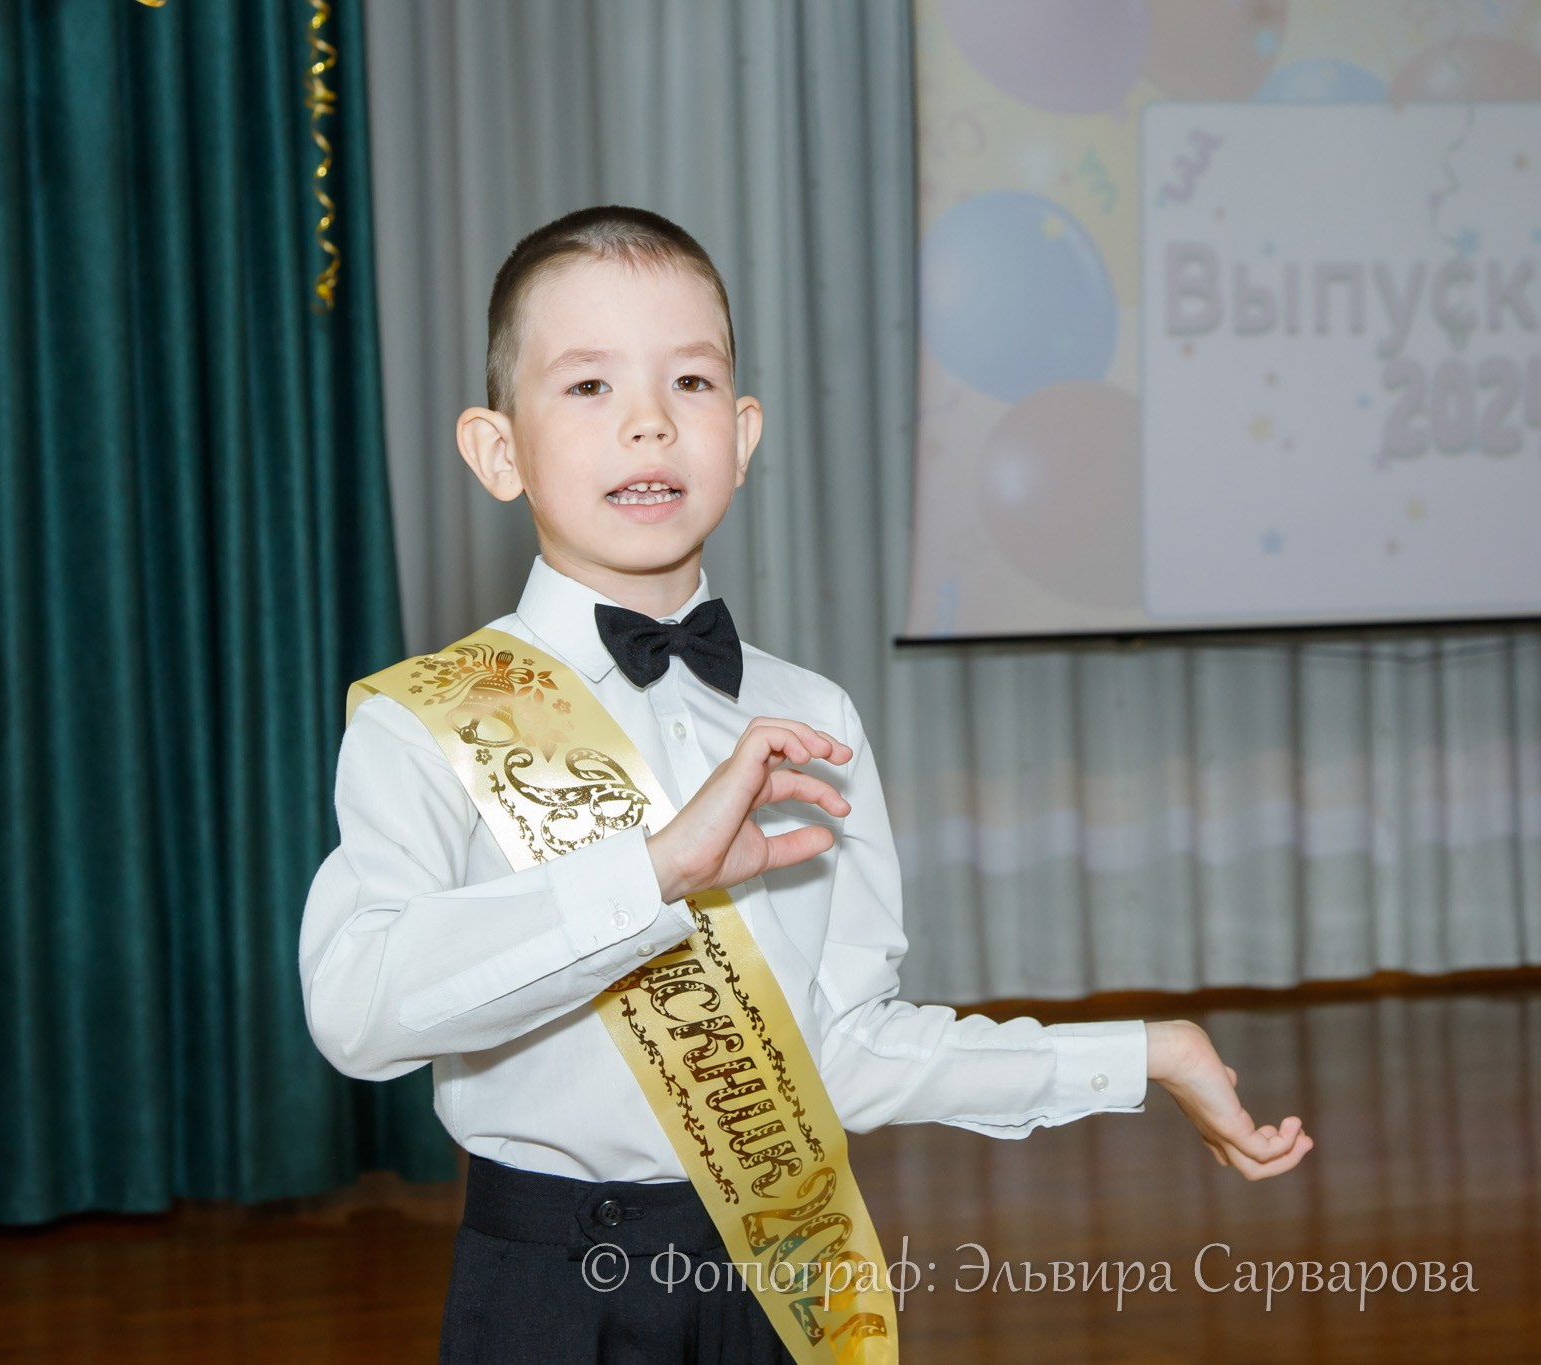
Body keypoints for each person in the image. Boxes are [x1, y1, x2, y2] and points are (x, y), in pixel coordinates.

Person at [299, 205, 1312, 1363]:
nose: (644, 423)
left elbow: (840, 1051)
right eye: (586, 388)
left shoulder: (811, 719)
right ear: (496, 449)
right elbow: (355, 1013)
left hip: (777, 1283)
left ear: (740, 434)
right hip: (543, 1296)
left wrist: (1144, 1053)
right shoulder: (427, 721)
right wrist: (655, 873)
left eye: (687, 382)